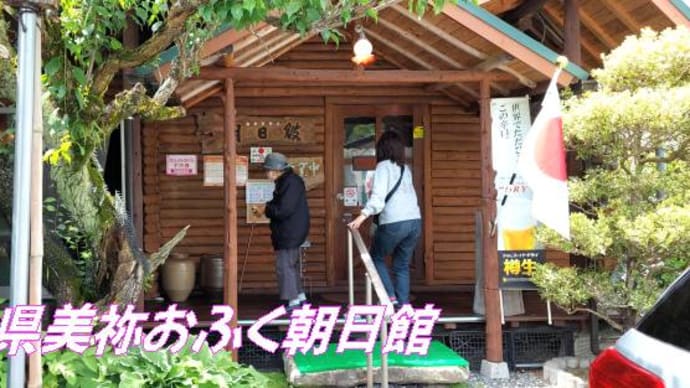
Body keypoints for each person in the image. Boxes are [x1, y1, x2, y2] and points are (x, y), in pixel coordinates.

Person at [348, 130, 421, 309]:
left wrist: (362, 216)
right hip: (414, 222)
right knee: (402, 265)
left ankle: (390, 297)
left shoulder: (383, 167)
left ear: (382, 149)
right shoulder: (405, 168)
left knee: (376, 258)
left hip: (394, 222)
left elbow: (378, 199)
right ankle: (403, 306)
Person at [254, 152, 310, 311]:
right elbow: (281, 205)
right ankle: (300, 297)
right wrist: (267, 207)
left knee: (284, 266)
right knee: (291, 265)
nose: (266, 174)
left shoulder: (289, 182)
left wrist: (266, 208)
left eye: (267, 170)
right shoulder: (289, 181)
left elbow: (283, 209)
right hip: (293, 230)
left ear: (276, 170)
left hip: (289, 231)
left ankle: (293, 302)